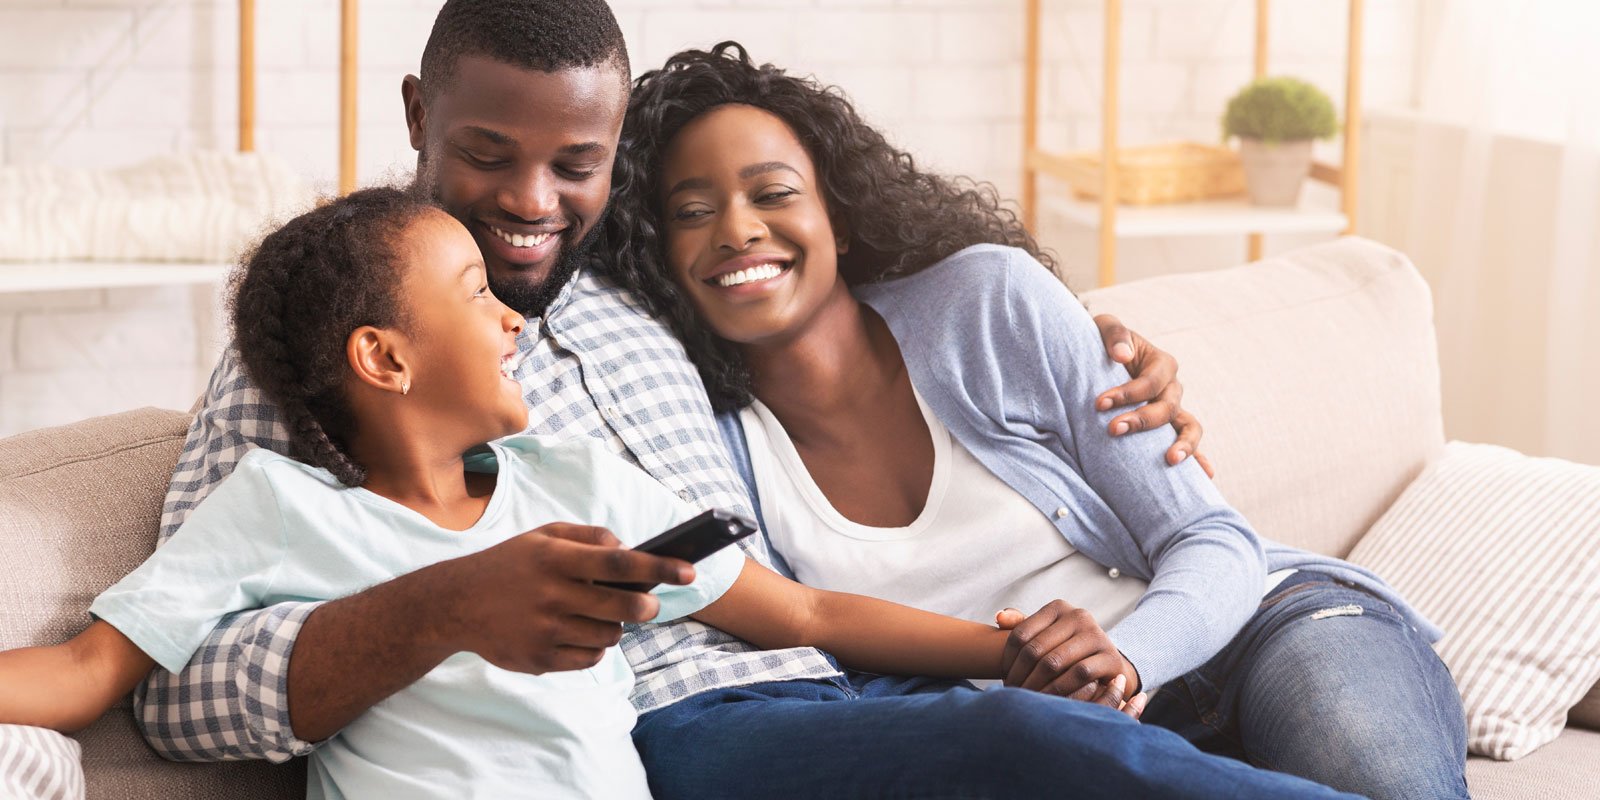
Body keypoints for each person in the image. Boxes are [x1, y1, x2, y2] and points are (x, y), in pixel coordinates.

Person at [122, 2, 1358, 798]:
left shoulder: (654, 290)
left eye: (576, 164)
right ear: (417, 116)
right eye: (488, 154)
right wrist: (441, 607)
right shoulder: (324, 346)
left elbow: (840, 290)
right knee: (1034, 746)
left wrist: (1103, 353)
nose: (533, 202)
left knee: (1058, 740)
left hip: (847, 687)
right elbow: (168, 693)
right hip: (668, 728)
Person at [0, 188, 1085, 797]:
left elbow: (802, 612)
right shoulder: (278, 508)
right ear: (385, 358)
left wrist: (1005, 653)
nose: (514, 316)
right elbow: (91, 671)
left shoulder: (578, 485)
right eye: (477, 293)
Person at [605, 41, 1471, 800]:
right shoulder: (708, 440)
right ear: (657, 251)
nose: (738, 230)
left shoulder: (987, 304)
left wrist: (1126, 659)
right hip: (1060, 741)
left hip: (1257, 639)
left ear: (835, 209)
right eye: (692, 212)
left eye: (772, 192)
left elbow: (1212, 538)